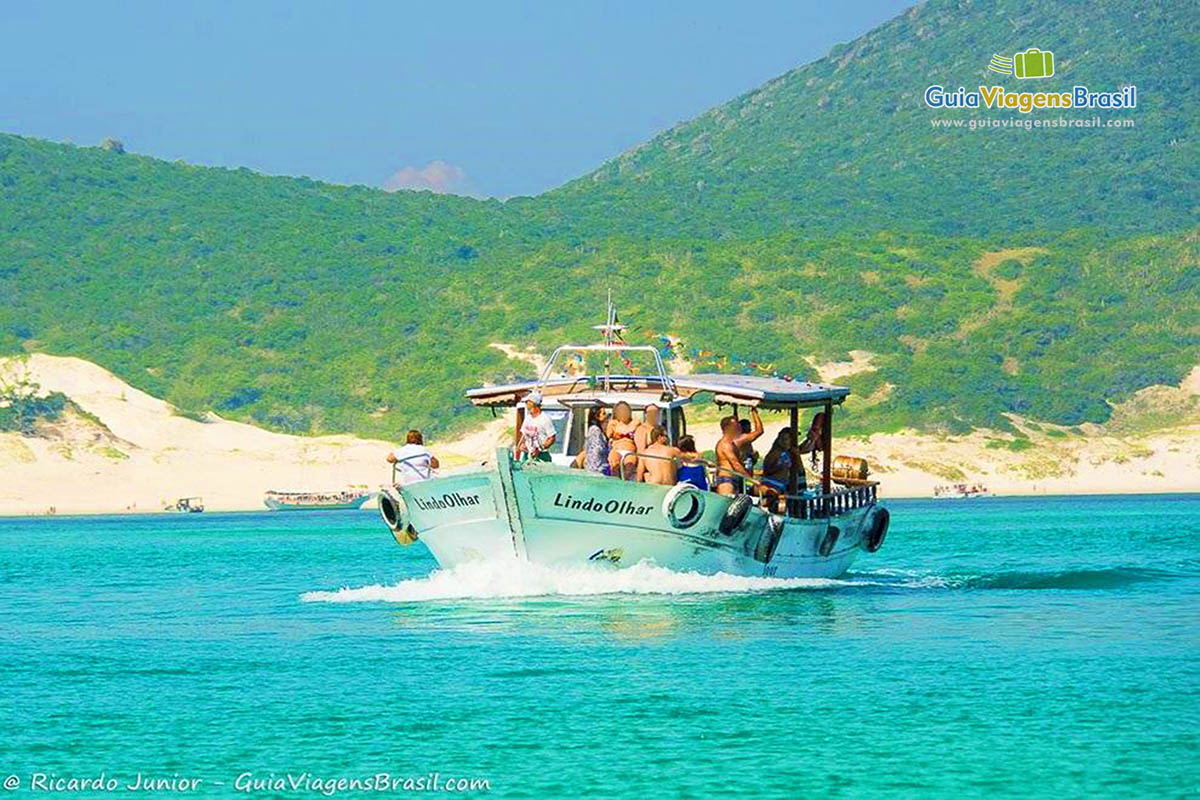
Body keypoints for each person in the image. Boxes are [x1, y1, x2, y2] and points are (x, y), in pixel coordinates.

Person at [714, 408, 763, 495]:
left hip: (734, 478)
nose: (739, 427)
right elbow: (735, 464)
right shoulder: (725, 445)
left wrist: (754, 412)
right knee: (726, 505)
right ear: (728, 428)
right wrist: (752, 480)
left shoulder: (733, 443)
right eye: (736, 425)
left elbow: (759, 431)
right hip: (726, 480)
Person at [761, 428, 804, 510]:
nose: (786, 442)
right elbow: (767, 470)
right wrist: (780, 467)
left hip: (783, 483)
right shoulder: (775, 453)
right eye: (784, 439)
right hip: (774, 482)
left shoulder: (789, 452)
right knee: (773, 496)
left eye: (788, 439)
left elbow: (800, 469)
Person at [515, 392, 556, 462]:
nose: (526, 404)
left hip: (542, 456)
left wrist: (540, 449)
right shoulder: (528, 418)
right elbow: (523, 435)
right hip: (527, 455)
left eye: (527, 402)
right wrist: (521, 446)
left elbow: (552, 438)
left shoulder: (545, 419)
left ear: (532, 403)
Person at [606, 401, 639, 479]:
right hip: (617, 449)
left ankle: (625, 483)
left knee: (629, 466)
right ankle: (616, 483)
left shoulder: (635, 423)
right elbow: (608, 435)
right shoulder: (613, 423)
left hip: (630, 451)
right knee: (614, 464)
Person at [573, 406, 611, 474]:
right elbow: (596, 450)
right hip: (596, 468)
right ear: (597, 416)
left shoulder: (597, 430)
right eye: (604, 414)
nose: (606, 416)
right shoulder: (595, 430)